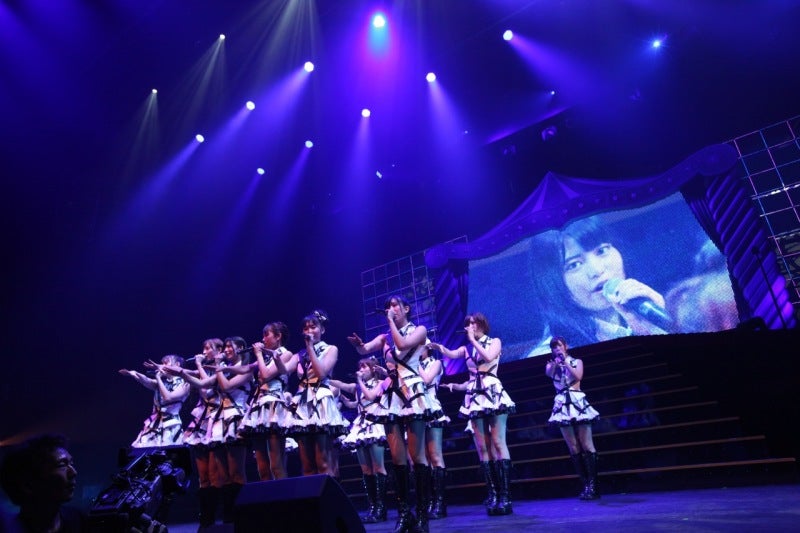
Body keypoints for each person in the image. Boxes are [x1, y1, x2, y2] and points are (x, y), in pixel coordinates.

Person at [350, 295, 436, 533]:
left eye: (395, 305)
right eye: (388, 306)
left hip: (413, 392)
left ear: (406, 308)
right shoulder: (384, 337)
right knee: (398, 458)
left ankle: (422, 515)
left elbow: (403, 344)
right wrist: (358, 345)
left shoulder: (419, 330)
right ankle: (404, 514)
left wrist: (389, 322)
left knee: (417, 456)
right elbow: (364, 349)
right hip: (392, 395)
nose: (391, 309)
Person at [526, 216, 670, 356]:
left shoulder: (647, 316)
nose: (596, 270)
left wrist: (659, 329)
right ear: (551, 284)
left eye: (602, 251)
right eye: (574, 265)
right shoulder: (553, 357)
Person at [432, 312, 515, 516]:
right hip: (475, 398)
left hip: (493, 392)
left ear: (482, 325)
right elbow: (451, 354)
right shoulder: (466, 348)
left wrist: (472, 341)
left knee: (498, 442)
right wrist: (436, 347)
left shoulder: (494, 342)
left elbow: (488, 357)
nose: (471, 325)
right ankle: (493, 494)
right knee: (483, 447)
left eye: (474, 323)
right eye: (468, 323)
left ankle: (505, 496)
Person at [283, 310, 350, 477]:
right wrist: (274, 357)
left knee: (323, 462)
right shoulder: (299, 354)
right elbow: (283, 371)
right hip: (302, 405)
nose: (309, 331)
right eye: (305, 328)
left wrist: (310, 347)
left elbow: (321, 373)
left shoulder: (331, 349)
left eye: (313, 327)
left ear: (322, 330)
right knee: (307, 465)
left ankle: (329, 492)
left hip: (321, 402)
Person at [330, 357, 389, 524]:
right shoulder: (357, 387)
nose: (361, 370)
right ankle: (373, 506)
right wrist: (324, 378)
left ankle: (381, 508)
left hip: (375, 424)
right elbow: (342, 387)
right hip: (361, 427)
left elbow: (370, 396)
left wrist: (358, 382)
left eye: (364, 367)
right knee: (366, 469)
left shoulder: (382, 383)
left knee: (378, 467)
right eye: (360, 367)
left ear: (373, 369)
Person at [235, 321, 294, 481]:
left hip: (274, 405)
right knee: (262, 466)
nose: (263, 339)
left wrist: (259, 354)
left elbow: (266, 375)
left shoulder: (285, 354)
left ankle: (284, 495)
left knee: (276, 464)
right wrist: (223, 368)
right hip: (259, 407)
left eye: (266, 334)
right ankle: (267, 496)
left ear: (278, 336)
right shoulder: (265, 357)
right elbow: (246, 368)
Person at [544, 336, 600, 500]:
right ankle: (585, 484)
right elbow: (549, 373)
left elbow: (578, 376)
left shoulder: (577, 361)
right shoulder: (550, 365)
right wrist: (557, 364)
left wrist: (566, 362)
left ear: (565, 346)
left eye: (559, 346)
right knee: (573, 447)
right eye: (554, 347)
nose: (557, 349)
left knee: (586, 444)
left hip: (577, 402)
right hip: (562, 405)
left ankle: (594, 486)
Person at [0, 434, 84, 533]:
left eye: (71, 463)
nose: (73, 472)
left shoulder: (79, 521)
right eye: (61, 465)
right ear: (28, 484)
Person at [119, 354, 190, 449]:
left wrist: (158, 378)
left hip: (171, 424)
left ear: (177, 364)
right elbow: (147, 380)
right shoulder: (162, 383)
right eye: (162, 363)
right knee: (144, 450)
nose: (161, 366)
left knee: (166, 451)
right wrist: (134, 373)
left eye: (165, 363)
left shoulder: (185, 383)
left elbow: (168, 398)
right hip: (154, 423)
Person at [418, 344, 449, 520]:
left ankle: (440, 503)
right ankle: (430, 501)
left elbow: (428, 380)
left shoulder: (435, 363)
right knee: (424, 459)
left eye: (419, 347)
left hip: (432, 407)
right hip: (416, 409)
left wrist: (413, 364)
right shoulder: (413, 364)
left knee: (435, 455)